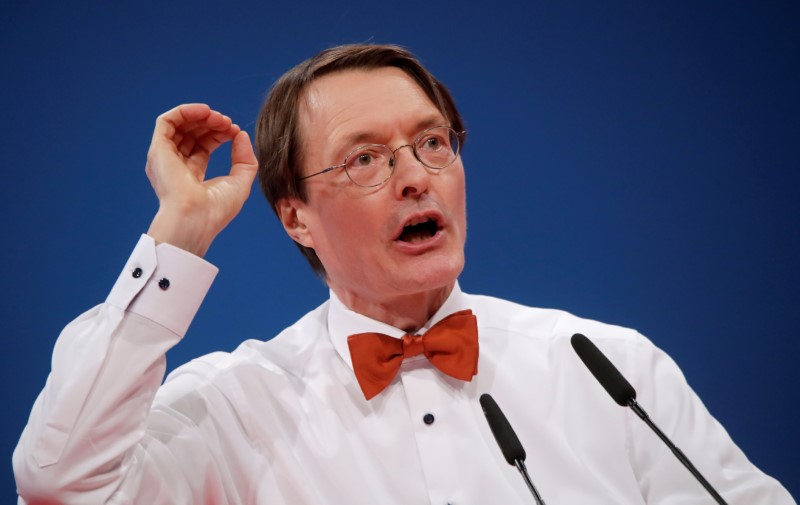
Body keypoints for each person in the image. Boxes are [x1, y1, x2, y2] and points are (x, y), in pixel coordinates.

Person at [13, 44, 795, 504]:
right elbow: (59, 481)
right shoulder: (234, 408)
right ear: (296, 216)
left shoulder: (605, 367)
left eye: (432, 143)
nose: (417, 176)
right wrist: (179, 230)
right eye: (366, 160)